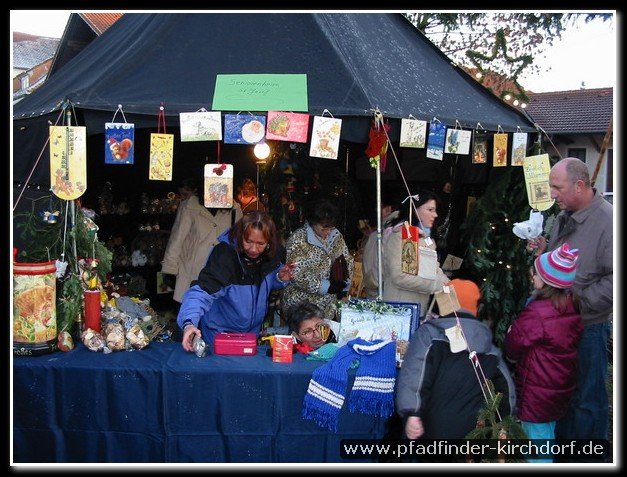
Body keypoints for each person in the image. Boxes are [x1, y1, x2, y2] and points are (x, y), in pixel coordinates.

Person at [526, 157, 612, 452]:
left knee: (587, 401)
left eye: (556, 187)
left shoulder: (609, 223)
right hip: (559, 325)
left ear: (579, 185)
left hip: (587, 327)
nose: (551, 193)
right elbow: (564, 260)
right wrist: (543, 250)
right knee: (561, 396)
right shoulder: (566, 213)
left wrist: (575, 304)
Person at [396, 278, 516, 461]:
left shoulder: (429, 335)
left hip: (430, 429)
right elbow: (506, 389)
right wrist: (503, 426)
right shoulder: (489, 347)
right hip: (472, 434)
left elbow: (413, 374)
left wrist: (412, 412)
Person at [504, 243, 583, 463]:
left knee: (537, 445)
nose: (532, 275)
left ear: (546, 280)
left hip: (537, 391)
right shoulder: (571, 306)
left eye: (536, 272)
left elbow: (516, 342)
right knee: (546, 433)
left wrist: (511, 338)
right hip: (557, 388)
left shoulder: (538, 312)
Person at [177, 211, 296, 352]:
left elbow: (266, 284)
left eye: (260, 244)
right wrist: (189, 323)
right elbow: (202, 291)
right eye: (248, 241)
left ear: (269, 242)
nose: (253, 249)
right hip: (219, 333)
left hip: (251, 334)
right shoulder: (225, 256)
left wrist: (279, 278)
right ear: (240, 237)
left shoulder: (273, 254)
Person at [161, 177, 243, 303]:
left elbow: (239, 242)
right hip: (192, 273)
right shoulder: (189, 207)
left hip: (222, 275)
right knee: (192, 316)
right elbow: (176, 240)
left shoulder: (234, 210)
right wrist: (170, 270)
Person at [381, 189, 449, 318]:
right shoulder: (401, 236)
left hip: (418, 310)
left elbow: (434, 269)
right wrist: (436, 284)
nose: (435, 215)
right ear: (415, 209)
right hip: (399, 311)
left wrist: (448, 284)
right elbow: (401, 276)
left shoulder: (427, 239)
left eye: (435, 210)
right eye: (430, 210)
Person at [282, 199, 354, 321]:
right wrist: (325, 287)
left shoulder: (336, 236)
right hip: (302, 307)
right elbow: (296, 273)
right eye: (323, 228)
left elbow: (347, 260)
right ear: (313, 222)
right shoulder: (298, 239)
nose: (328, 231)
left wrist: (343, 286)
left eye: (330, 227)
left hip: (328, 307)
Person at [361, 188, 402, 298]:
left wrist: (371, 285)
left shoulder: (387, 234)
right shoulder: (379, 234)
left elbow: (376, 273)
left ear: (388, 209)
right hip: (389, 296)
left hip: (379, 294)